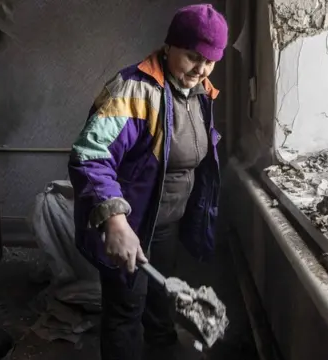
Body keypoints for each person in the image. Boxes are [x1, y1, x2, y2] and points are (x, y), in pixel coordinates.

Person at [67, 4, 228, 359]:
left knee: (160, 303)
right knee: (126, 309)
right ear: (170, 46)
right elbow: (89, 156)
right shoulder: (133, 91)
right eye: (192, 56)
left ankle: (163, 350)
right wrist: (115, 221)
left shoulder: (200, 93)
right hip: (133, 221)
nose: (201, 69)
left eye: (210, 61)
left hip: (167, 222)